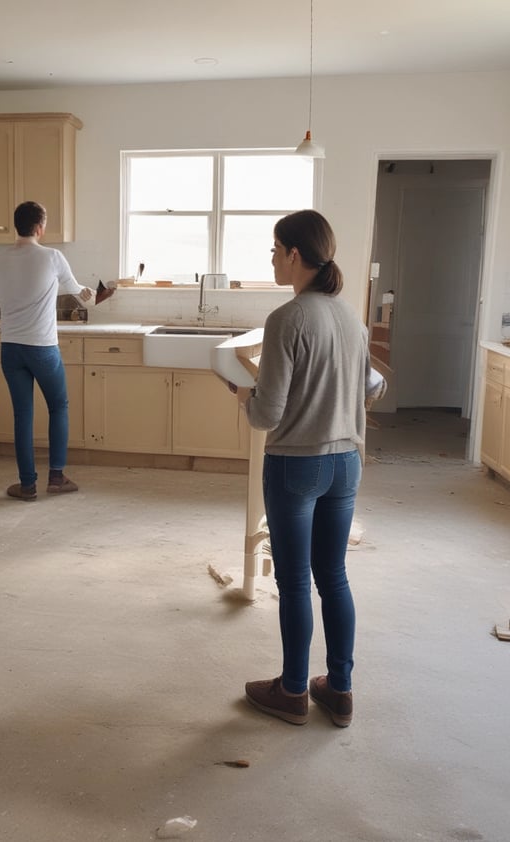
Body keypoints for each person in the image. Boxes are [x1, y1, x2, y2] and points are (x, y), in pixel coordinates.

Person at [234, 209, 386, 727]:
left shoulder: (287, 318)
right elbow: (375, 386)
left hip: (297, 465)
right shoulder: (350, 317)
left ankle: (293, 691)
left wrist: (243, 395)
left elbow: (267, 414)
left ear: (294, 254)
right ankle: (339, 690)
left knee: (296, 582)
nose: (272, 260)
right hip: (346, 463)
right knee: (333, 577)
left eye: (275, 251)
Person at [0, 201, 95, 501]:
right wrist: (96, 294)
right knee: (58, 406)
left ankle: (27, 485)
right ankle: (56, 478)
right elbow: (78, 291)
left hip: (11, 348)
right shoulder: (53, 257)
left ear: (16, 226)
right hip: (42, 347)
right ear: (39, 228)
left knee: (23, 415)